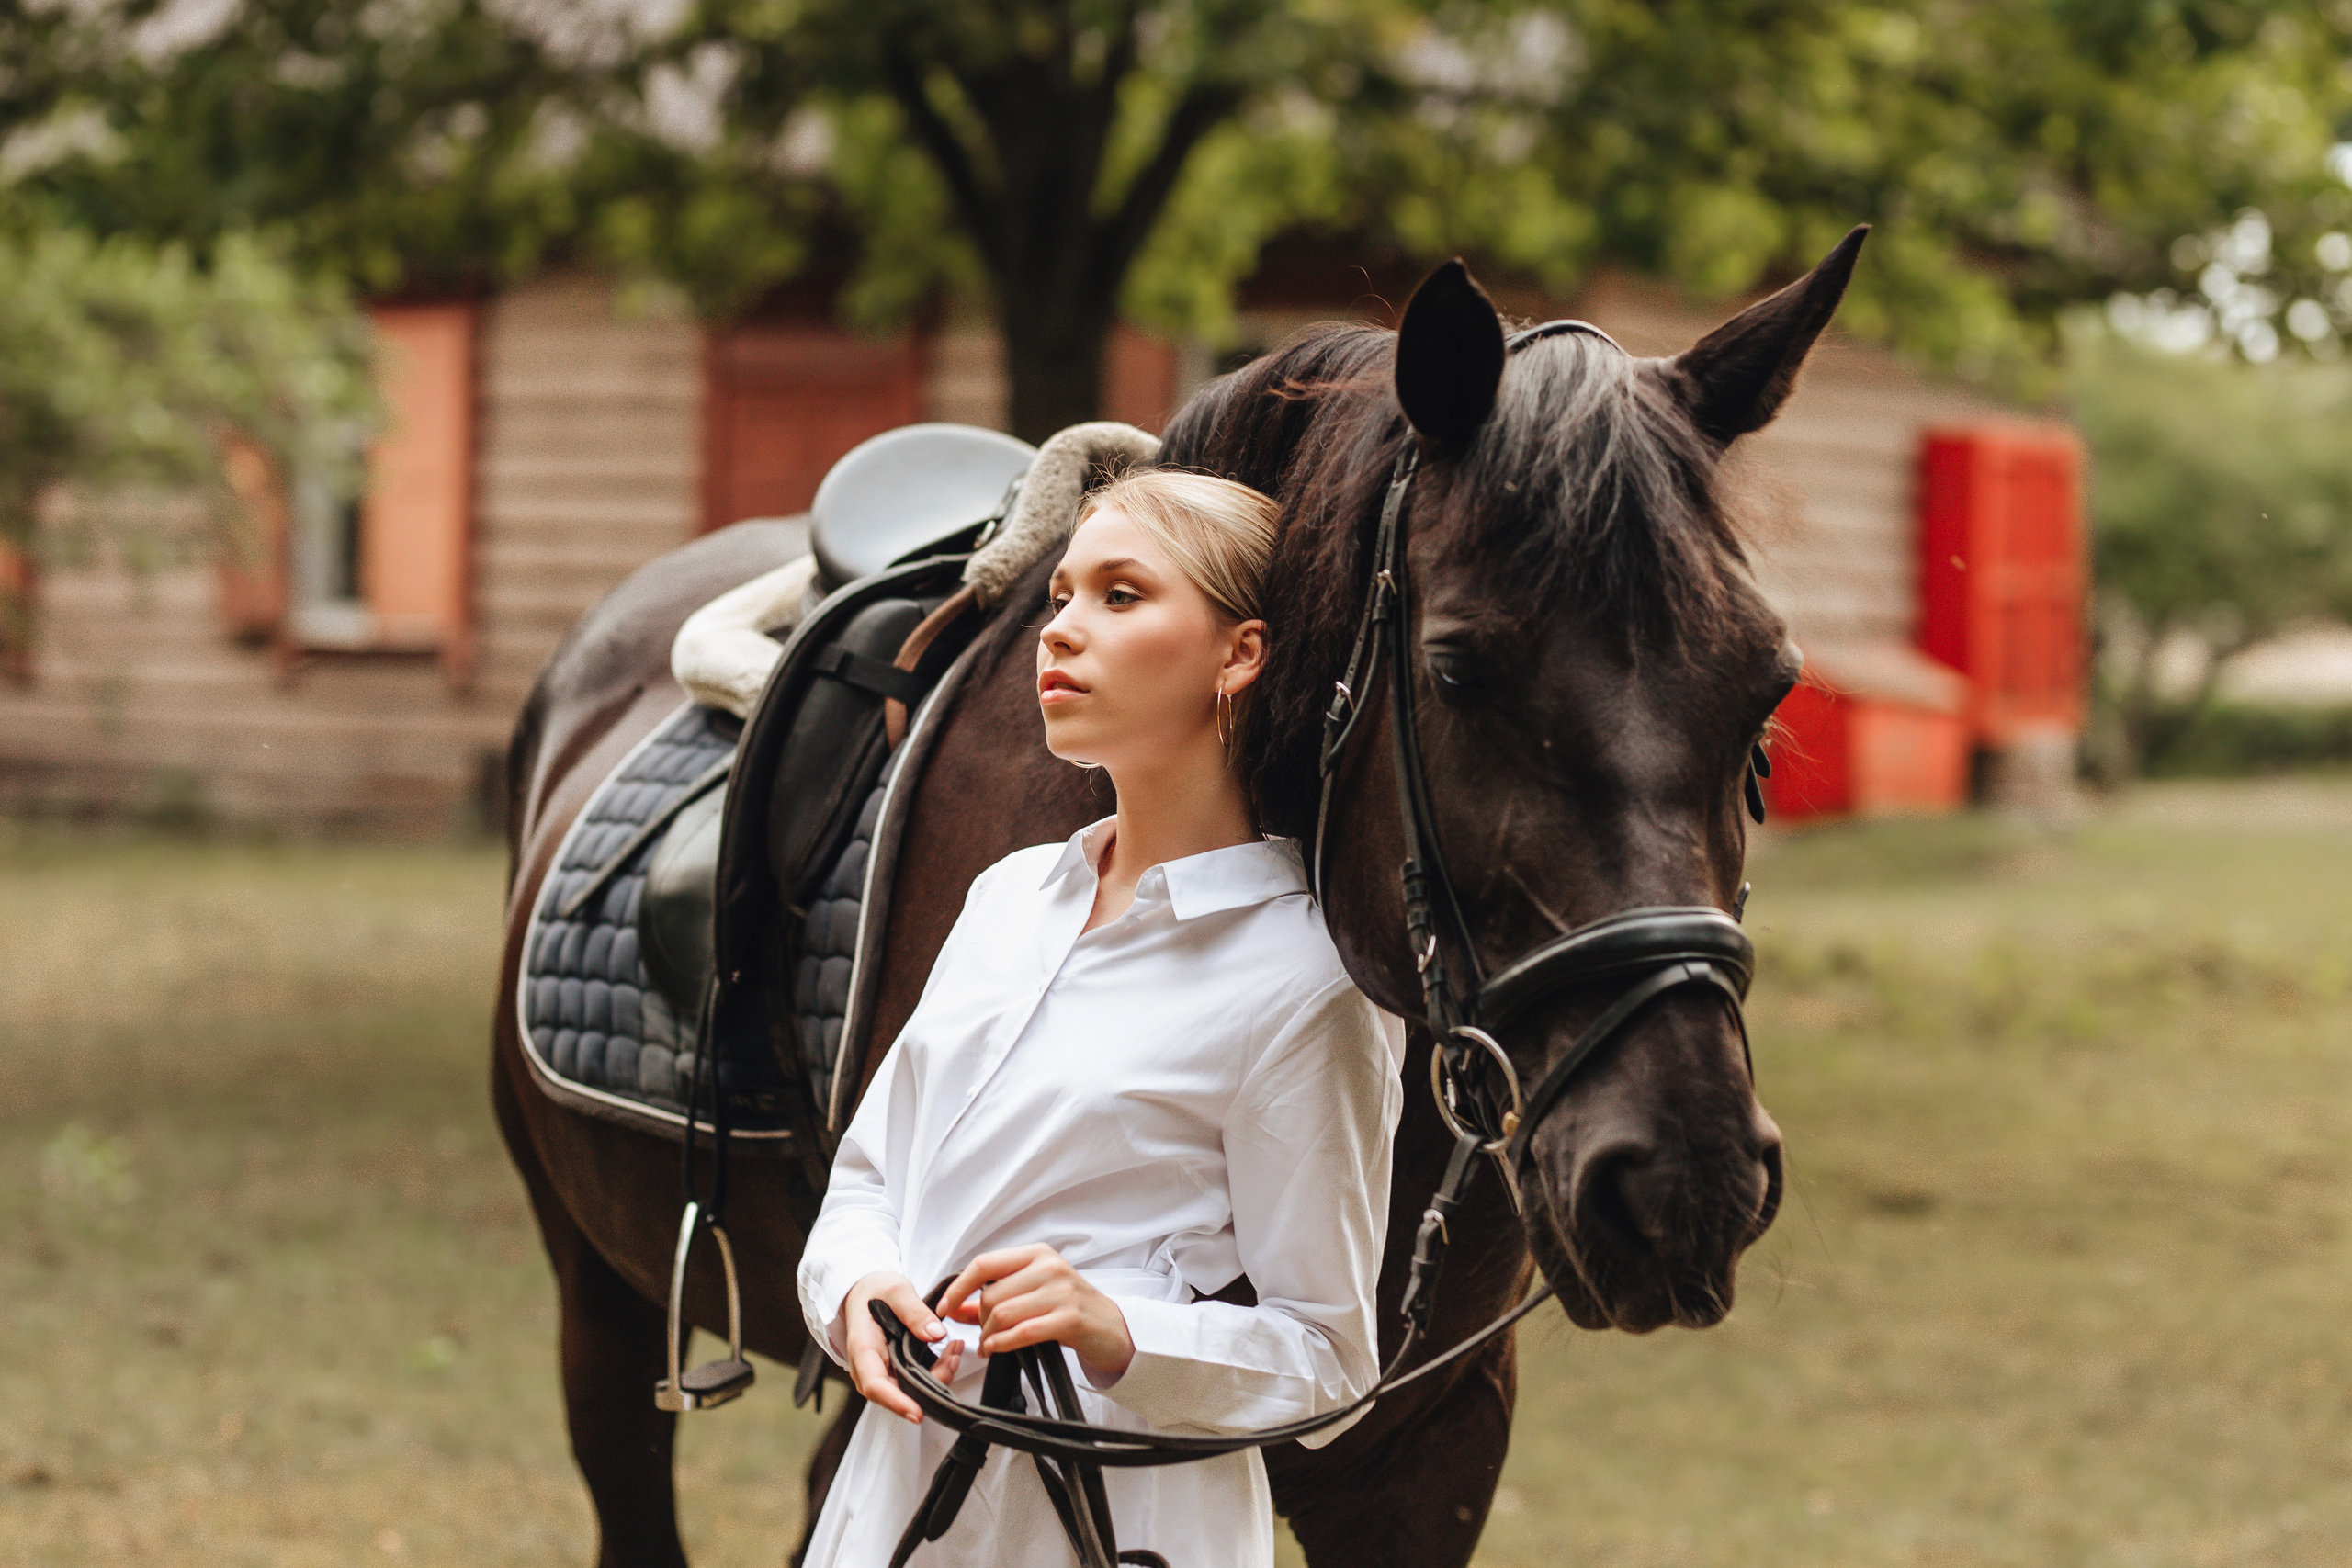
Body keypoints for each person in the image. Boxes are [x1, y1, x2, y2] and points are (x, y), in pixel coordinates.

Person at [794, 468, 1405, 1566]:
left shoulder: (1309, 981)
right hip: (892, 1501)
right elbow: (869, 1184)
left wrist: (1120, 1329)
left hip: (1110, 1525)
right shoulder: (1007, 896)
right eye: (1062, 594)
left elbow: (1329, 1363)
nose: (1060, 631)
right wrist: (859, 1292)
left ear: (1240, 654)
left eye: (1121, 596)